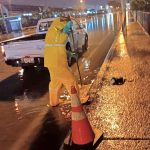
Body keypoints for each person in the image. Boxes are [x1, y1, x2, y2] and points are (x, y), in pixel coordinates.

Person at [44, 16, 79, 106]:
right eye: (66, 26)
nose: (67, 29)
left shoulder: (51, 32)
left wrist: (70, 54)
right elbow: (61, 40)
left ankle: (53, 102)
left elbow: (57, 46)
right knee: (71, 81)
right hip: (58, 62)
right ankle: (77, 101)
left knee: (55, 83)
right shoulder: (57, 33)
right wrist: (67, 28)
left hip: (50, 62)